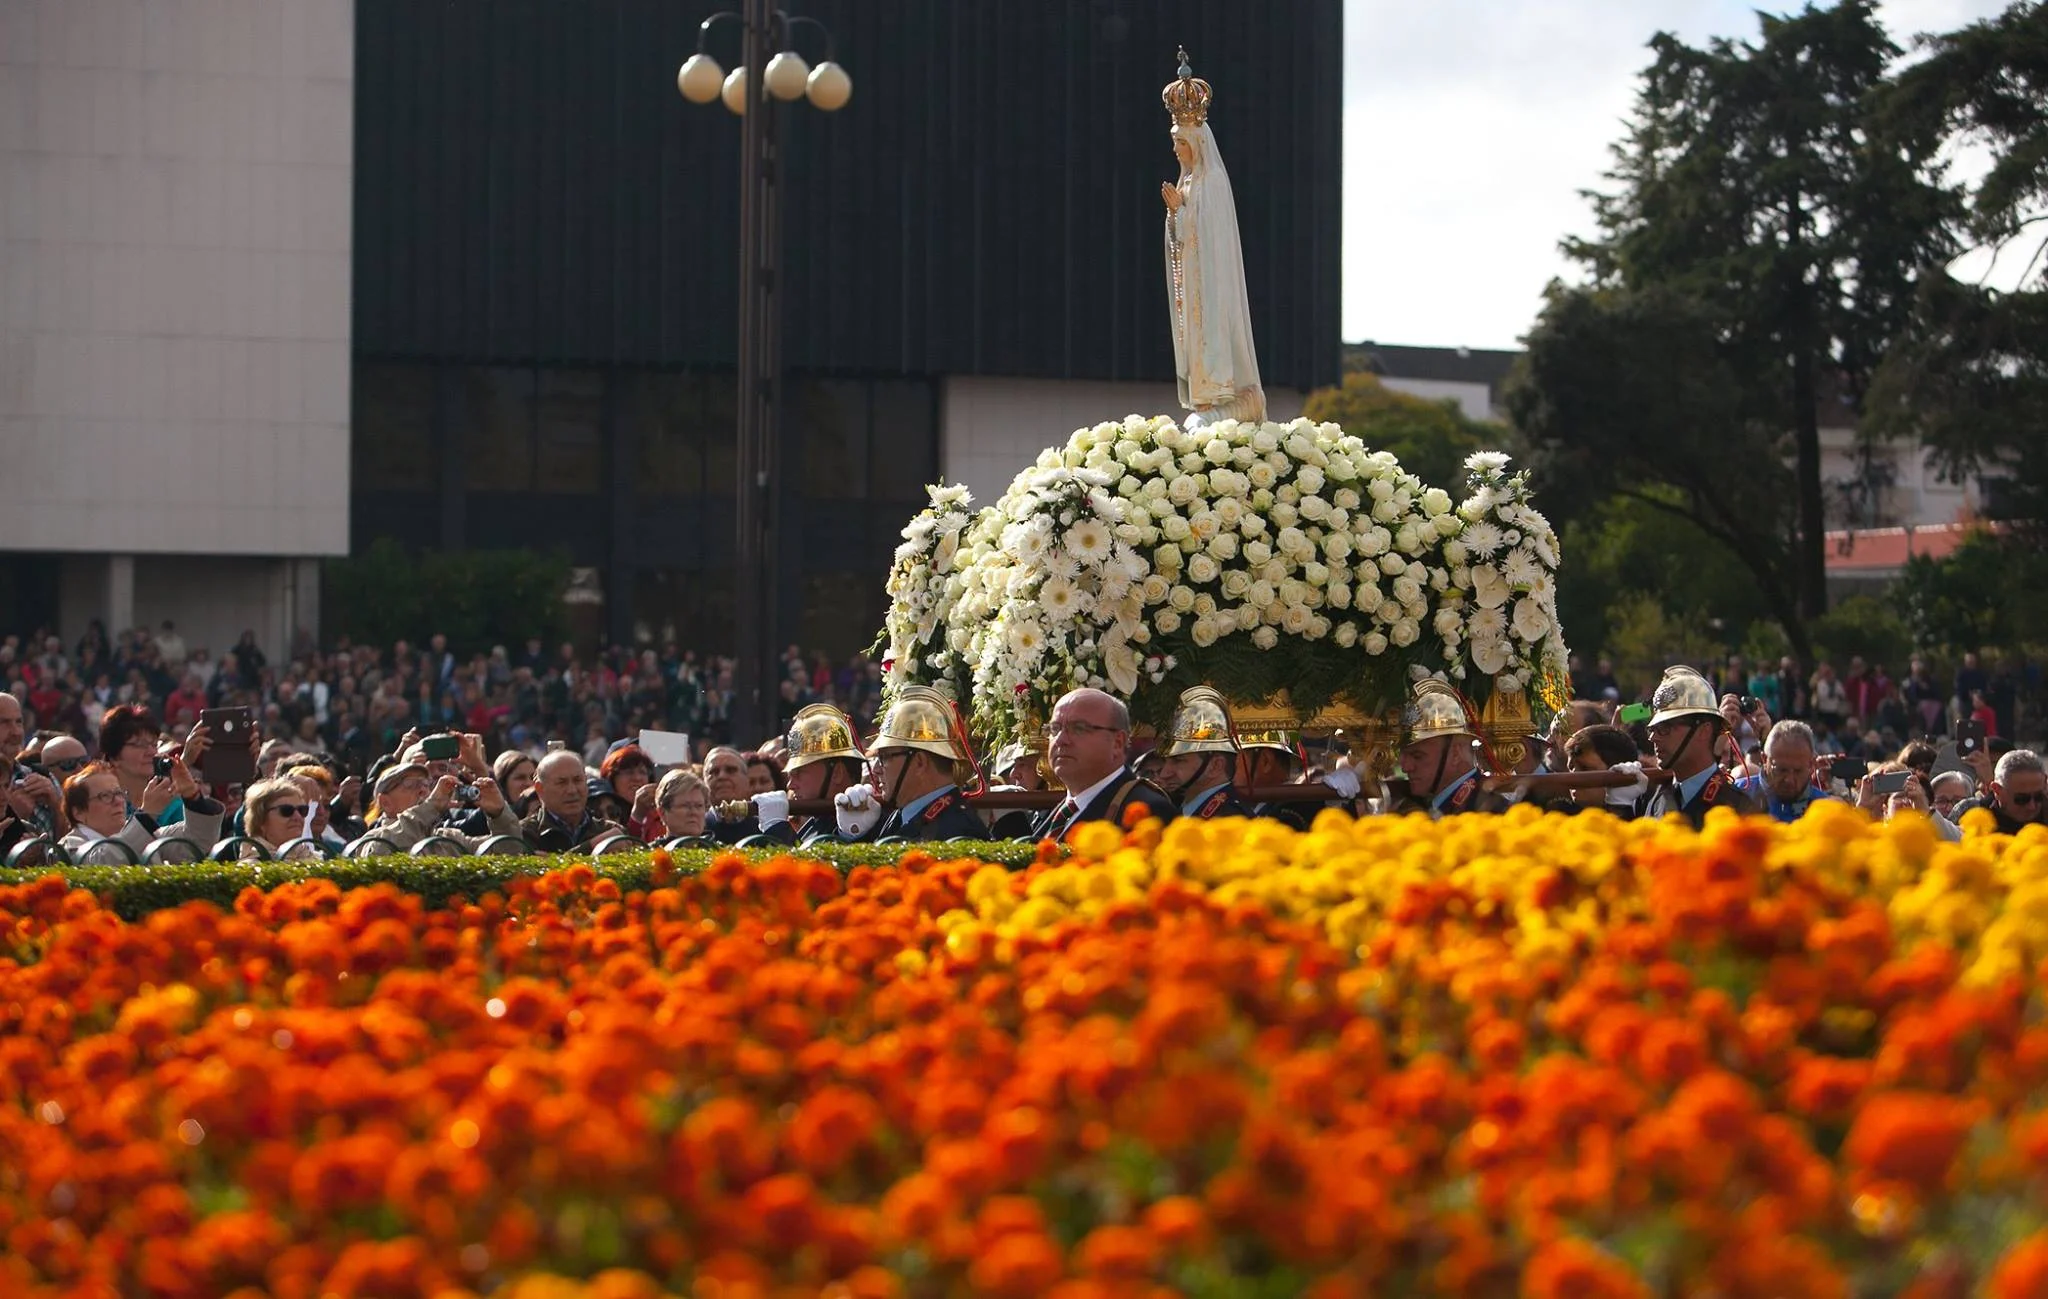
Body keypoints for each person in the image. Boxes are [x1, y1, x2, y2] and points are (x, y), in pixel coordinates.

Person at [1160, 50, 1264, 428]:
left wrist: (1180, 212)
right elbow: (1180, 239)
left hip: (1211, 286)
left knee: (1211, 337)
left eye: (1182, 144)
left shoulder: (1213, 182)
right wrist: (1175, 214)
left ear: (1197, 143)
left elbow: (1210, 236)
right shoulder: (1188, 182)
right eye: (1175, 144)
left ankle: (1224, 396)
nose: (1176, 151)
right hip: (1194, 283)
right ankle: (1206, 403)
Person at [833, 687, 990, 843]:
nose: (876, 769)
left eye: (885, 757)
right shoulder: (908, 814)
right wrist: (855, 833)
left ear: (920, 762)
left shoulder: (956, 830)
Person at [1029, 688, 1175, 840]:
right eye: (1055, 729)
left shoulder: (1146, 812)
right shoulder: (1063, 812)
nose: (1060, 740)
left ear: (1117, 743)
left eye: (1078, 728)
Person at [1637, 667, 1755, 826]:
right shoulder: (1656, 799)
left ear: (1703, 731)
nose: (1653, 737)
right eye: (1652, 729)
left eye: (1665, 728)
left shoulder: (1737, 809)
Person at [59, 758, 223, 861]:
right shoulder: (68, 848)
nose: (118, 801)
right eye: (105, 796)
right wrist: (148, 814)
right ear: (78, 812)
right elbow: (104, 861)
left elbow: (197, 842)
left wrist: (192, 796)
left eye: (119, 793)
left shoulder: (145, 833)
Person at [1392, 680, 1513, 817]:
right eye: (1403, 755)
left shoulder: (1486, 812)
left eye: (1417, 756)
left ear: (1455, 754)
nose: (1405, 767)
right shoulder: (1460, 805)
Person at [355, 768, 521, 853]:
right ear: (385, 802)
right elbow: (378, 854)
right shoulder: (373, 839)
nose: (423, 790)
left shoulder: (449, 839)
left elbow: (508, 853)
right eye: (411, 785)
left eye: (426, 784)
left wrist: (499, 815)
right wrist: (429, 808)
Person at [1153, 687, 1252, 820]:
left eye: (1178, 760)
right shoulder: (1186, 809)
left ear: (1216, 766)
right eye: (1166, 761)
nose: (1164, 773)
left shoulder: (1229, 820)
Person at [780, 704, 866, 845]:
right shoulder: (815, 823)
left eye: (799, 772)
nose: (791, 785)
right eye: (790, 775)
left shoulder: (868, 825)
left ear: (837, 773)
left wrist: (777, 829)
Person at [521, 750, 627, 852]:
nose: (572, 790)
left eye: (577, 780)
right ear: (540, 789)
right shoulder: (524, 834)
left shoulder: (610, 831)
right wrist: (592, 846)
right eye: (561, 783)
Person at [1734, 721, 1834, 823]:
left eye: (1798, 771)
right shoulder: (1735, 797)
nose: (1789, 779)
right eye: (1781, 770)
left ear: (1811, 764)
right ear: (1764, 759)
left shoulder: (1825, 811)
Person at [1557, 724, 1646, 817]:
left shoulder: (1644, 817)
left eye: (1585, 768)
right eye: (1571, 768)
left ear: (1619, 772)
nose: (1574, 777)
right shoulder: (1562, 816)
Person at [1950, 749, 2046, 835]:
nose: (2031, 806)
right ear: (1997, 790)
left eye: (2039, 797)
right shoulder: (1968, 812)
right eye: (2022, 799)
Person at [240, 776, 325, 859]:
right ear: (260, 820)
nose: (298, 817)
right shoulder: (251, 866)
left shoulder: (313, 858)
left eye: (302, 810)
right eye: (286, 810)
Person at [651, 769, 712, 840]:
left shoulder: (719, 847)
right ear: (662, 813)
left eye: (699, 806)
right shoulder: (649, 848)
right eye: (685, 806)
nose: (694, 812)